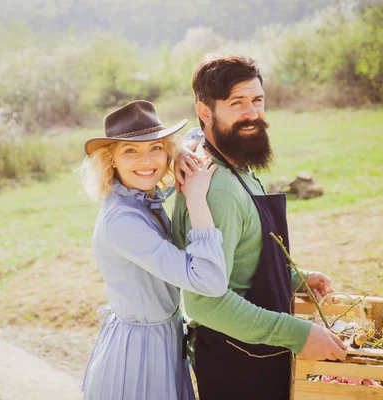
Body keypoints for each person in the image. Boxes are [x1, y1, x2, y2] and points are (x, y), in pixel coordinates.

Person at [172, 54, 348, 400]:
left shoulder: (239, 166)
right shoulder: (216, 189)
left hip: (258, 352)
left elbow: (243, 261)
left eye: (257, 100)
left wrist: (295, 277)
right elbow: (205, 303)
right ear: (205, 112)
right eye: (237, 103)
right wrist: (297, 334)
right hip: (235, 363)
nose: (252, 114)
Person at [80, 100, 229, 400]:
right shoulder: (123, 221)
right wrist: (197, 199)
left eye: (155, 148)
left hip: (159, 342)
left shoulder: (138, 196)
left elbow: (195, 139)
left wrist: (181, 152)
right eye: (130, 151)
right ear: (112, 160)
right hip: (139, 355)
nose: (146, 161)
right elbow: (209, 280)